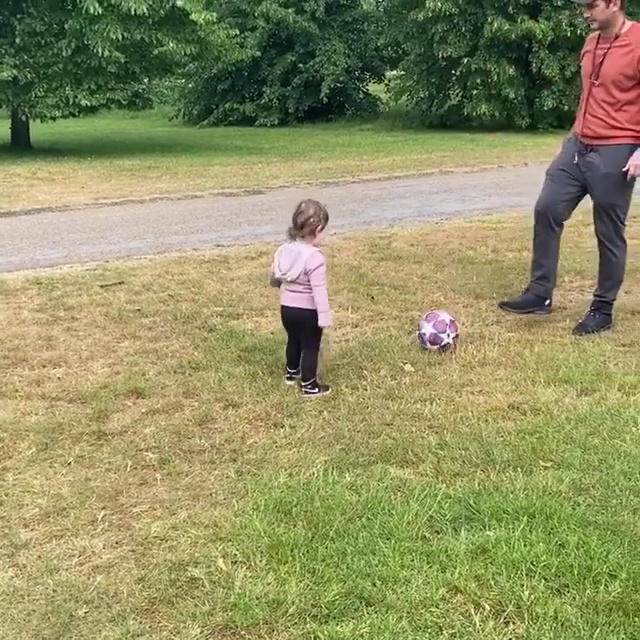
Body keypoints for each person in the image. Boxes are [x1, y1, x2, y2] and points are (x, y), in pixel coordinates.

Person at [499, 0, 640, 335]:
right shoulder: (591, 42)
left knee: (608, 232)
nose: (585, 13)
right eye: (581, 7)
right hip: (578, 146)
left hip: (617, 150)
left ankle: (602, 310)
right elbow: (589, 95)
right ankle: (539, 294)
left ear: (615, 3)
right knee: (547, 208)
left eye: (591, 5)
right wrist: (573, 136)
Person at [270, 198, 333, 397]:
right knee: (310, 346)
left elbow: (274, 275)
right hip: (308, 312)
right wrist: (324, 316)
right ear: (317, 229)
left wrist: (276, 284)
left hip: (287, 309)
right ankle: (309, 385)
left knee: (294, 341)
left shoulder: (285, 250)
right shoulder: (315, 257)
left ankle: (291, 373)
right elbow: (319, 290)